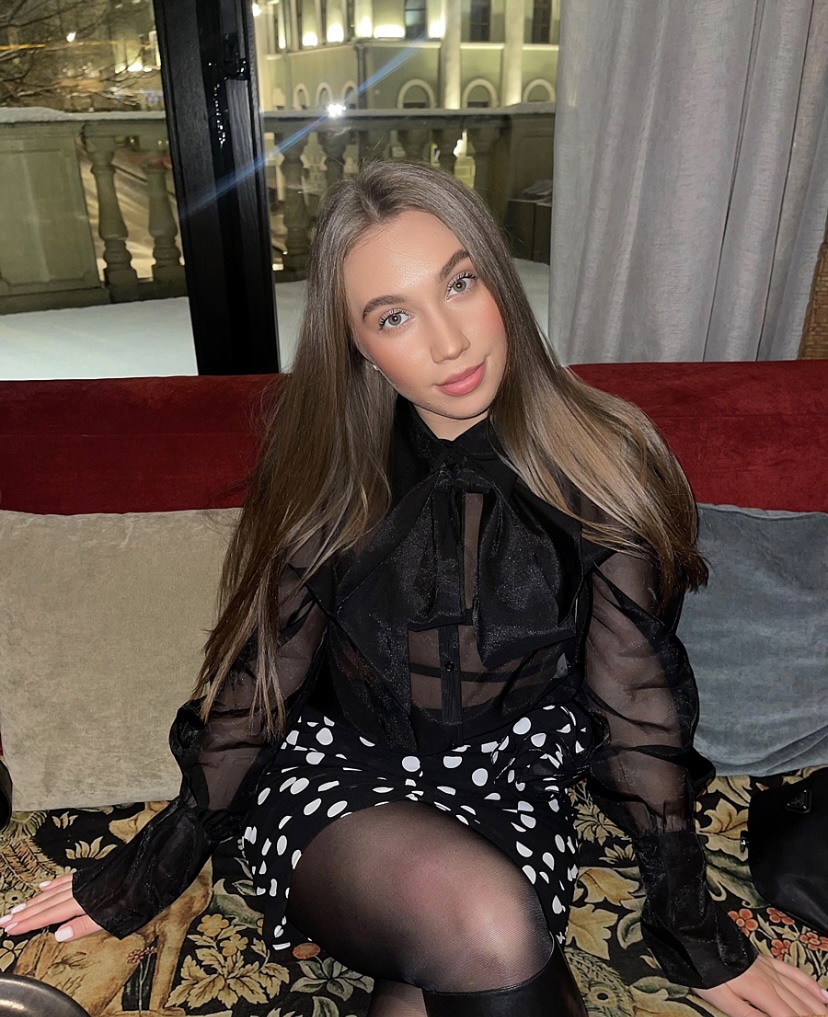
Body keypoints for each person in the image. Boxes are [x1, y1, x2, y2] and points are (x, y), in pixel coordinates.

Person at [2, 162, 826, 1017]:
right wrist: (153, 866)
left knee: (446, 964)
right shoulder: (333, 469)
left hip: (508, 786)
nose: (450, 342)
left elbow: (635, 702)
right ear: (359, 344)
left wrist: (692, 925)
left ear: (498, 280)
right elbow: (264, 682)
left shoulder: (607, 459)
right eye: (394, 315)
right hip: (338, 775)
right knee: (487, 924)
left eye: (459, 284)